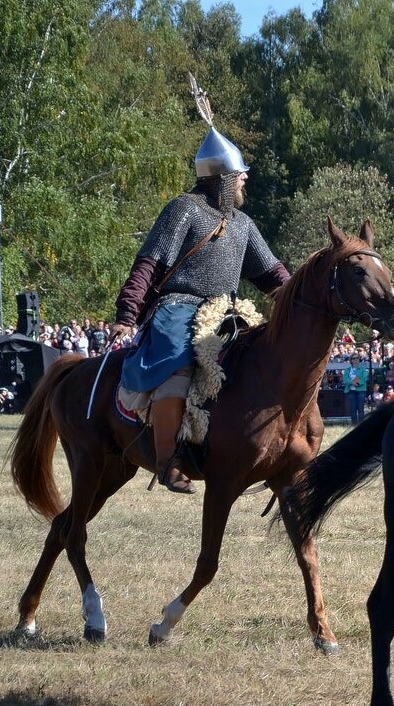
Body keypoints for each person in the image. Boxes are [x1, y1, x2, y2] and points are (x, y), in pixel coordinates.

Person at [111, 111, 289, 493]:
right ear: (222, 177)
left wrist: (300, 302)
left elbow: (272, 275)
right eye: (239, 172)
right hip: (179, 306)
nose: (245, 178)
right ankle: (167, 462)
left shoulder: (243, 223)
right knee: (175, 364)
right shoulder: (183, 209)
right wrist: (128, 312)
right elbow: (149, 263)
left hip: (229, 309)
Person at [344, 354, 370, 423]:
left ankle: (361, 424)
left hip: (361, 391)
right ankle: (354, 425)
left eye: (357, 358)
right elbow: (345, 379)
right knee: (353, 409)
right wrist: (352, 383)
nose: (355, 360)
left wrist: (357, 383)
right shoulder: (347, 370)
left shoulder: (363, 369)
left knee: (361, 409)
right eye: (354, 358)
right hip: (351, 391)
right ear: (351, 360)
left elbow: (365, 378)